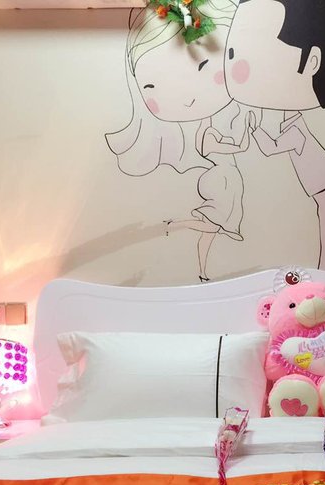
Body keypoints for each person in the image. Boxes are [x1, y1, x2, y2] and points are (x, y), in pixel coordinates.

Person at [224, 0, 325, 273]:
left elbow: (271, 148)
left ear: (312, 62)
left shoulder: (296, 131)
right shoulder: (295, 124)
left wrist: (254, 129)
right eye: (231, 54)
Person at [106, 1, 250, 282]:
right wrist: (245, 127)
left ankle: (203, 272)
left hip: (226, 179)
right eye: (151, 87)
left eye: (204, 67)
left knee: (212, 231)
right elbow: (239, 147)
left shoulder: (210, 127)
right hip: (221, 180)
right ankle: (179, 224)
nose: (188, 99)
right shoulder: (207, 135)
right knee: (214, 226)